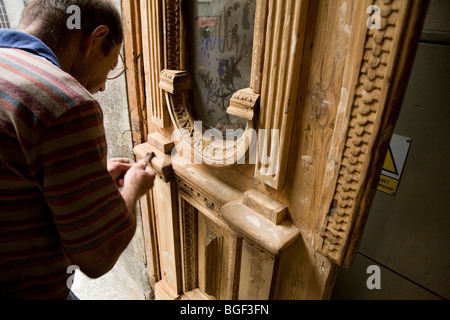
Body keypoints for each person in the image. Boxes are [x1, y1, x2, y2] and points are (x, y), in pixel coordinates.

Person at [0, 0, 155, 299]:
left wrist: (87, 184)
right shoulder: (66, 103)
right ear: (96, 38)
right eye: (110, 68)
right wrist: (132, 189)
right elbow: (97, 257)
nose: (103, 87)